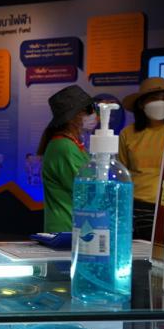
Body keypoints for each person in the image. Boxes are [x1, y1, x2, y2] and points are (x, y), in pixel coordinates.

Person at [39, 84, 95, 234]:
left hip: (77, 226)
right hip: (67, 228)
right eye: (89, 110)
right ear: (74, 116)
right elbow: (85, 190)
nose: (93, 114)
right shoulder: (64, 147)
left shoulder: (72, 145)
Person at [119, 77, 164, 238]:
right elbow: (121, 172)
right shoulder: (128, 133)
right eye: (154, 98)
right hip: (136, 205)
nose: (161, 102)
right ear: (141, 104)